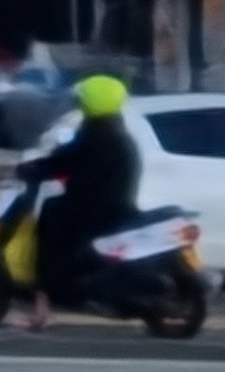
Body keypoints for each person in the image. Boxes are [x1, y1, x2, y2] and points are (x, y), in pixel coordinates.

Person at [16, 74, 142, 331]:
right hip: (113, 206)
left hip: (94, 210)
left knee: (50, 218)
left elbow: (64, 161)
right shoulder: (116, 130)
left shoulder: (95, 133)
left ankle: (47, 299)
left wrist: (28, 170)